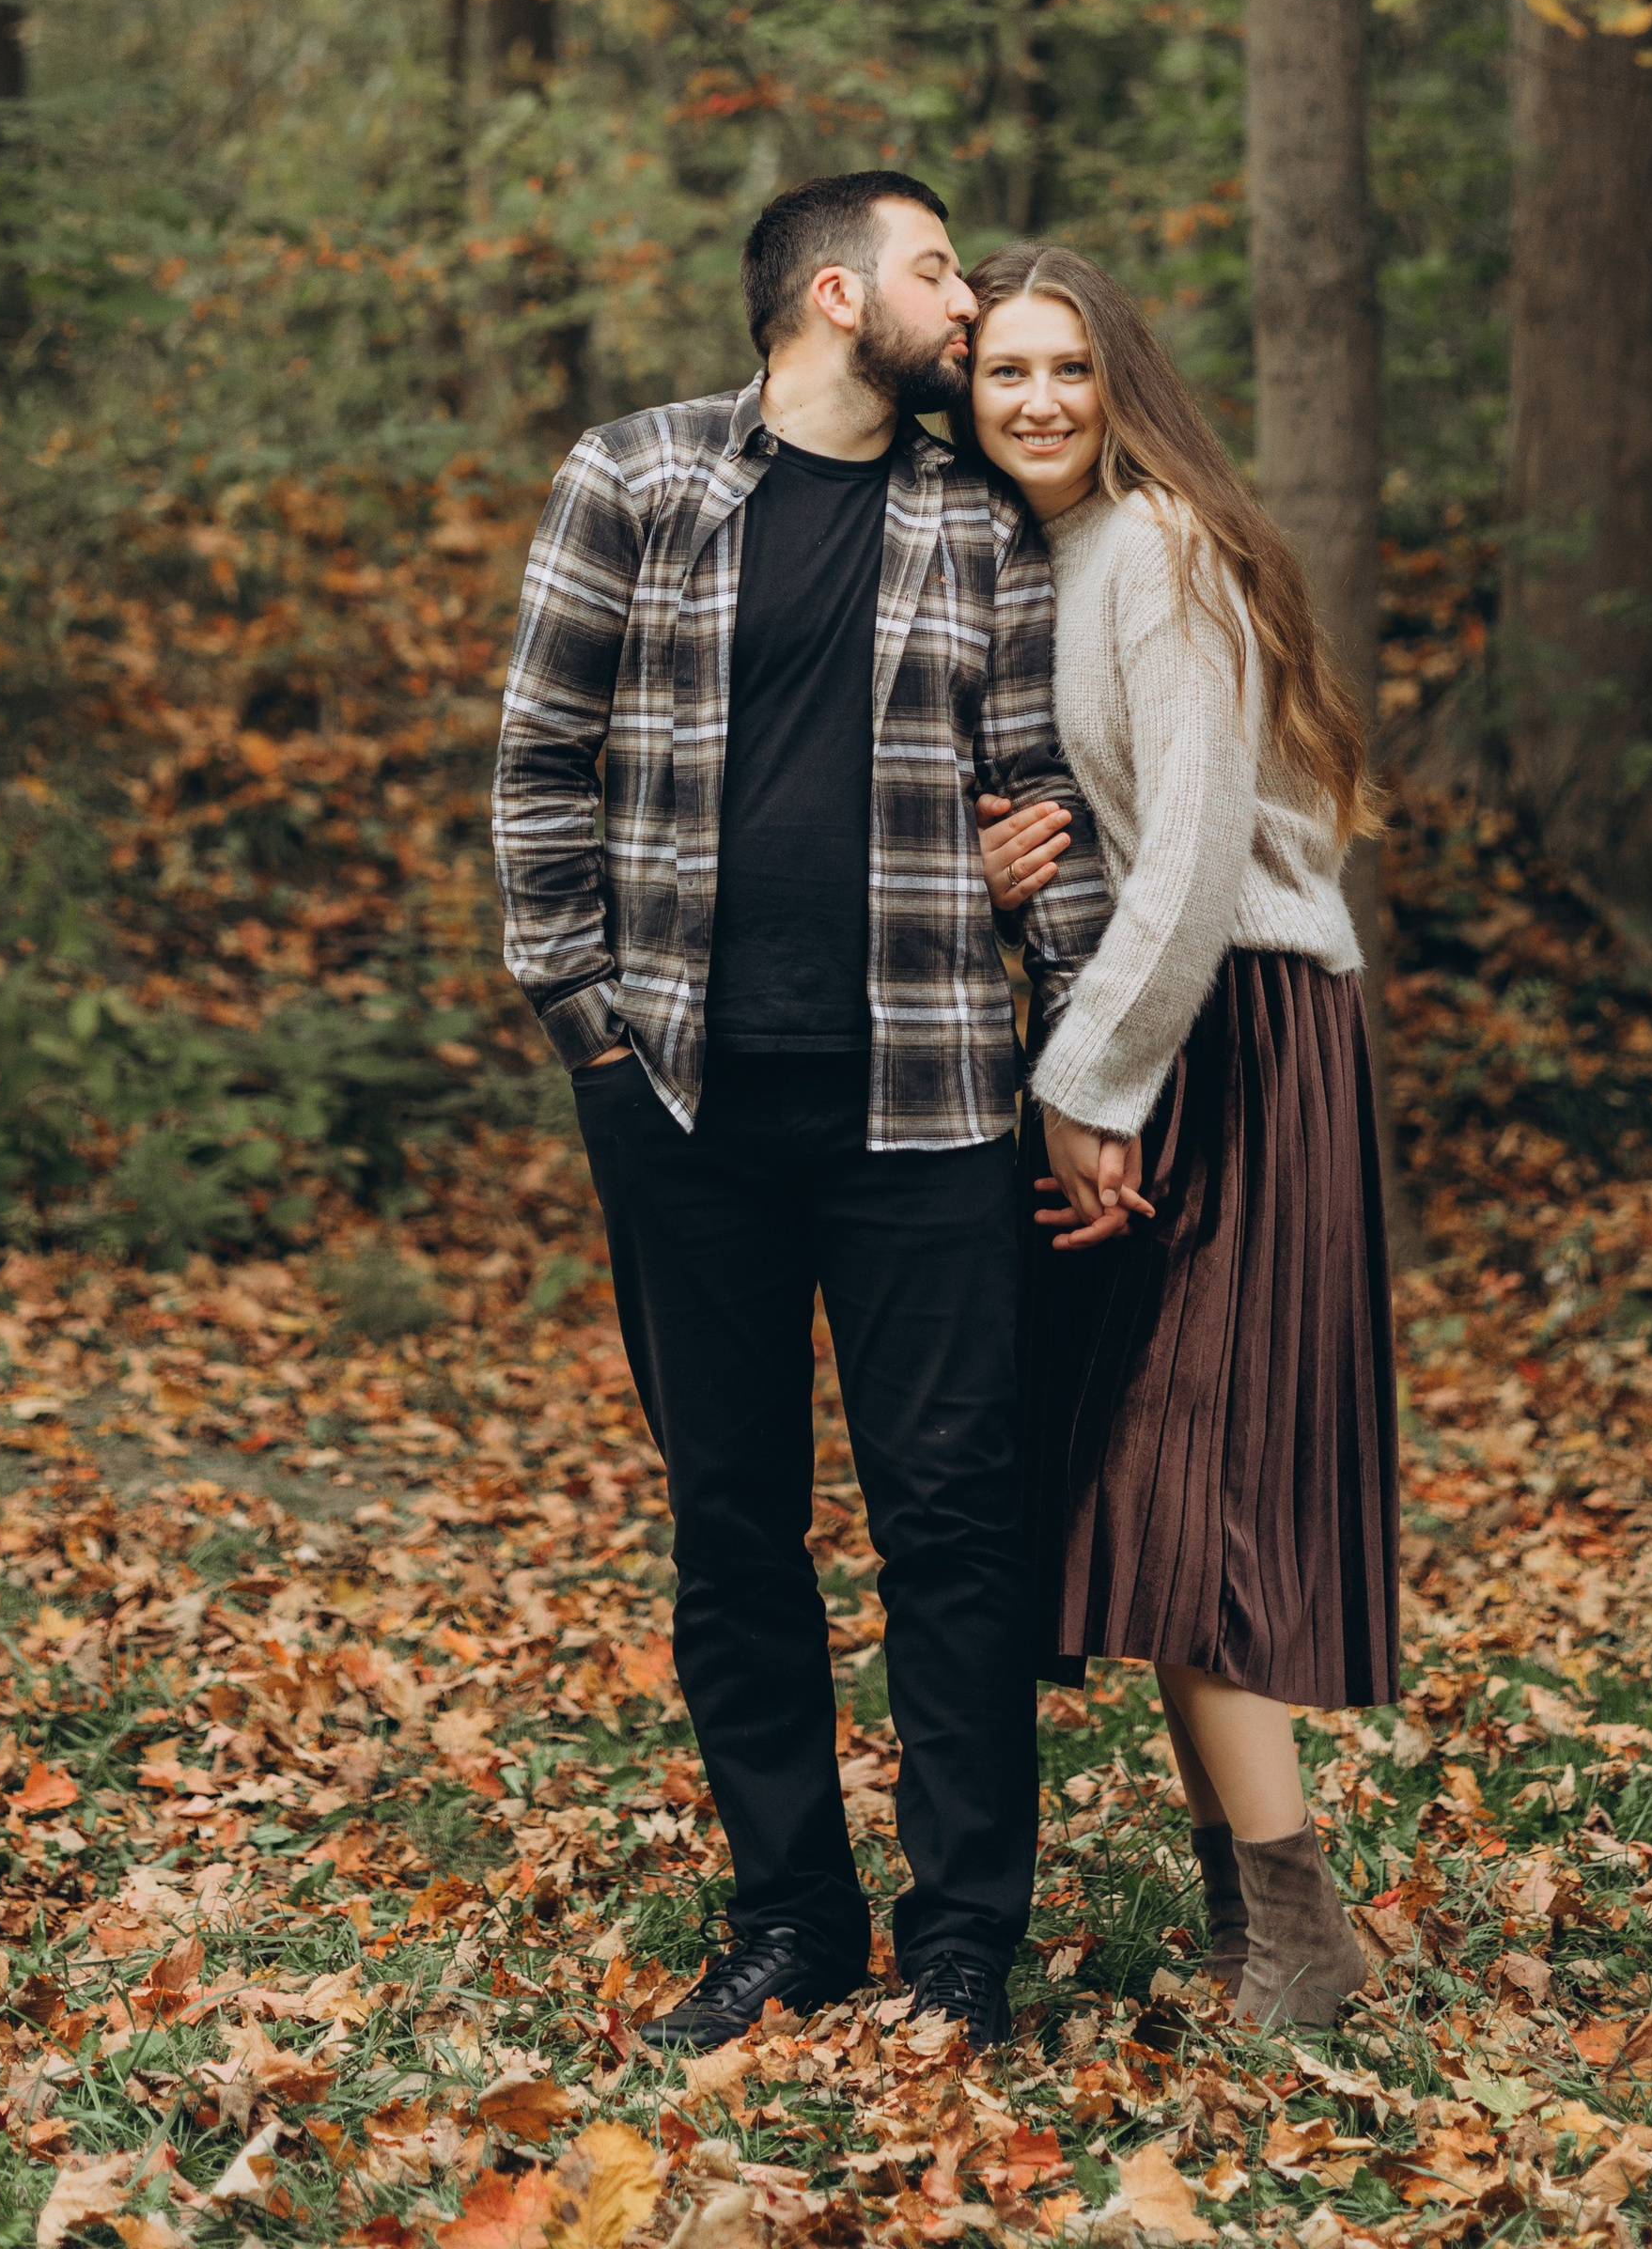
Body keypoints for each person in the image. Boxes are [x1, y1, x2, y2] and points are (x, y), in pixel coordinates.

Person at [492, 174, 1109, 2053]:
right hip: (679, 1106)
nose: (965, 302)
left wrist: (1073, 1037)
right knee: (732, 1523)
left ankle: (960, 1941)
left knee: (951, 1523)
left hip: (924, 1105)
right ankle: (788, 1919)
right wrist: (588, 1023)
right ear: (839, 296)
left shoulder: (975, 526)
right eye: (938, 274)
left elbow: (1040, 804)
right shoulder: (639, 479)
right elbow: (537, 760)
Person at [962, 242, 1398, 2035]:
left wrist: (1085, 1087)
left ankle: (1302, 1948)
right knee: (1155, 1500)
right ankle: (1254, 1924)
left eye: (1070, 367)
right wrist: (1026, 862)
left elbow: (1207, 852)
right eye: (1004, 374)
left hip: (1240, 1038)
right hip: (1163, 1027)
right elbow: (1134, 816)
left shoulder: (1155, 546)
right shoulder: (1047, 559)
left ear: (1121, 378)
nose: (1041, 401)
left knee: (1191, 1484)